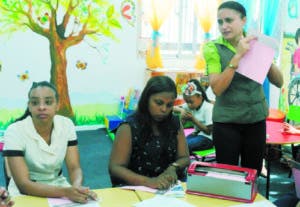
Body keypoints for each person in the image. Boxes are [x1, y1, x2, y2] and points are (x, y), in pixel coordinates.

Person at [203, 1, 283, 175]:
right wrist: (238, 56)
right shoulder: (212, 47)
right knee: (228, 175)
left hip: (256, 120)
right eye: (220, 22)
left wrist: (263, 55)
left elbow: (279, 82)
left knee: (252, 173)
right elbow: (217, 89)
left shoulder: (256, 42)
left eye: (229, 20)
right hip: (227, 122)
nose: (224, 26)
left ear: (243, 20)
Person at [3, 81, 97, 203]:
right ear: (29, 106)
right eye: (35, 102)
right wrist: (66, 192)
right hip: (26, 191)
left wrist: (77, 187)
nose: (41, 107)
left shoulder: (66, 125)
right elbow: (23, 184)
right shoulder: (15, 131)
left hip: (58, 184)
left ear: (57, 105)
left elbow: (74, 167)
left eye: (48, 102)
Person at [109, 76, 190, 189]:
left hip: (169, 188)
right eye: (158, 103)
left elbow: (185, 158)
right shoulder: (129, 127)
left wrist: (173, 168)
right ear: (146, 99)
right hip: (138, 187)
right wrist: (150, 182)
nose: (164, 109)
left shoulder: (174, 123)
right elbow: (116, 168)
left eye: (169, 105)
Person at [174, 79, 214, 152]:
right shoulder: (191, 105)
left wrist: (193, 120)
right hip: (196, 135)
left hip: (208, 138)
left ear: (200, 97)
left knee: (183, 147)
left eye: (191, 102)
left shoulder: (208, 108)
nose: (189, 105)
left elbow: (208, 131)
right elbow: (172, 108)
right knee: (177, 144)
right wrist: (181, 110)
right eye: (187, 102)